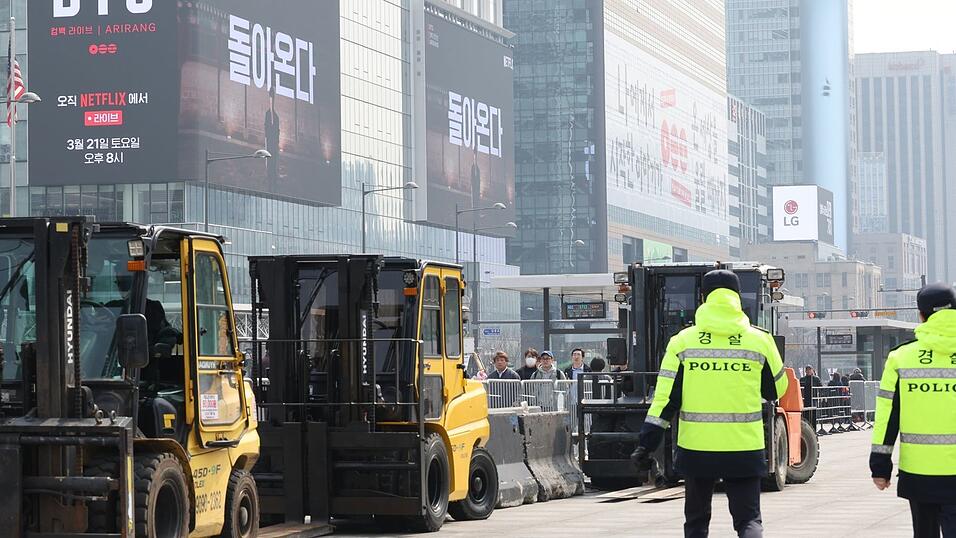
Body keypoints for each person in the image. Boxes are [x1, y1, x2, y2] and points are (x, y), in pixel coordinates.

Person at [631, 270, 789, 538]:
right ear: (737, 298)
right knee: (748, 520)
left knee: (696, 522)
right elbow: (778, 390)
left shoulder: (682, 341)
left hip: (696, 449)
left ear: (703, 297)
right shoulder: (760, 340)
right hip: (744, 446)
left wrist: (646, 445)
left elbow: (665, 400)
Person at [871, 283, 956, 537]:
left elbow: (887, 418)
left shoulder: (901, 358)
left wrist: (880, 466)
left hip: (920, 474)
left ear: (921, 315)